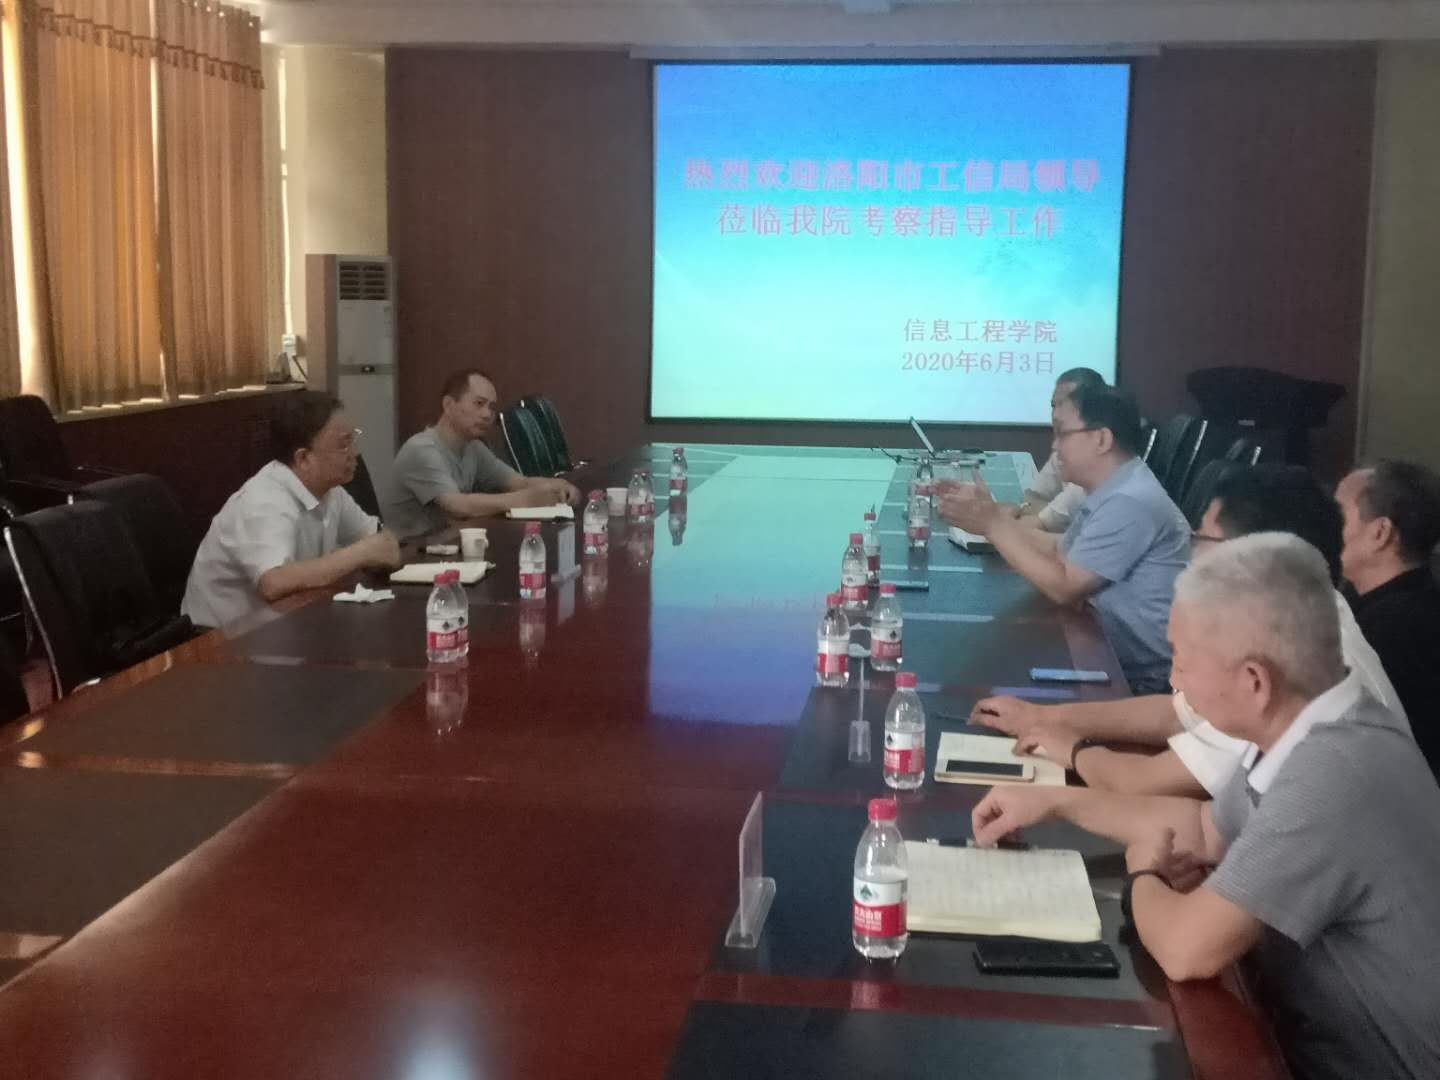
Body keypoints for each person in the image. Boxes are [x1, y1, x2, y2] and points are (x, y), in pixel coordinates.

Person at [971, 534, 1440, 1080]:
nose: (1174, 680)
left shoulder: (1332, 776)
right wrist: (1051, 802)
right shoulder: (1315, 724)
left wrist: (1144, 873)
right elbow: (1202, 828)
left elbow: (1185, 949)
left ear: (1254, 681)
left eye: (1183, 661)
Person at [974, 465, 1403, 797]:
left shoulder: (1294, 663)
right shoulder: (1304, 610)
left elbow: (1142, 782)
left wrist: (1069, 748)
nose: (1191, 555)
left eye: (1203, 540)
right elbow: (1176, 714)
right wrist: (1043, 717)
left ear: (1256, 556)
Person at [937, 385, 1189, 693]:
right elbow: (1060, 547)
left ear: (1101, 439)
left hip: (1142, 681)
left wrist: (993, 525)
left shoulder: (1129, 501)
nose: (1055, 447)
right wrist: (990, 520)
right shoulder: (1116, 488)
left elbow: (1065, 586)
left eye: (1062, 434)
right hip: (1107, 651)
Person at [182, 392, 402, 629]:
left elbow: (378, 541)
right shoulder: (264, 501)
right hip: (221, 639)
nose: (354, 453)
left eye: (353, 440)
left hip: (289, 622)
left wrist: (379, 548)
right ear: (304, 458)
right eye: (343, 445)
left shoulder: (330, 490)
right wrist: (361, 553)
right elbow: (274, 584)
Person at [383, 369, 580, 538]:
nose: (487, 414)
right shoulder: (422, 449)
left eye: (490, 407)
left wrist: (559, 486)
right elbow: (458, 506)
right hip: (408, 553)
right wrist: (526, 499)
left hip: (445, 545)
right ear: (448, 405)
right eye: (479, 403)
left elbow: (519, 482)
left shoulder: (473, 448)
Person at [1336, 460, 1440, 774]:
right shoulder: (1399, 601)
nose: (1324, 524)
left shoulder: (1393, 631)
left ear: (1380, 533)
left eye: (1337, 515)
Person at [1018, 366, 1108, 533]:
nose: (1055, 415)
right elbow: (1032, 498)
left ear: (1091, 409)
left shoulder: (1097, 466)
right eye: (1053, 405)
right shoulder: (1064, 448)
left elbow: (1040, 521)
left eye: (1062, 405)